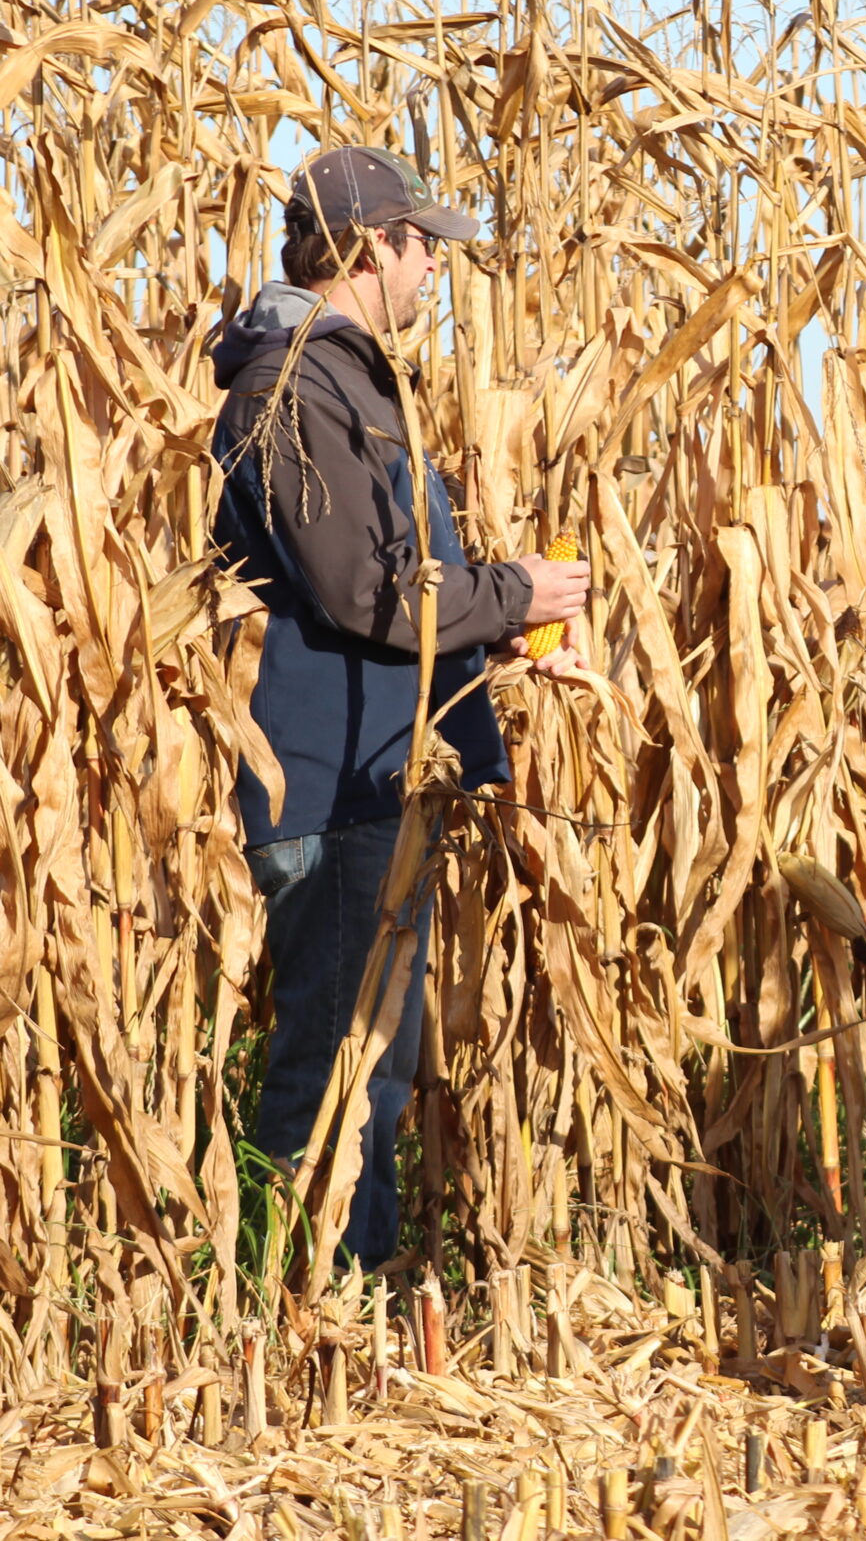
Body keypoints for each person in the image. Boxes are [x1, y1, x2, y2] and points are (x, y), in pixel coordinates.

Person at [212, 146, 591, 1269]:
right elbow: (362, 592)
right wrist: (517, 588)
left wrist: (504, 637)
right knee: (332, 1065)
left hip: (377, 768)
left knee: (371, 1061)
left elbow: (395, 590)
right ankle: (296, 1315)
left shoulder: (345, 378)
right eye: (426, 246)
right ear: (377, 246)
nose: (435, 269)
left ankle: (352, 1307)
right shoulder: (291, 385)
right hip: (328, 783)